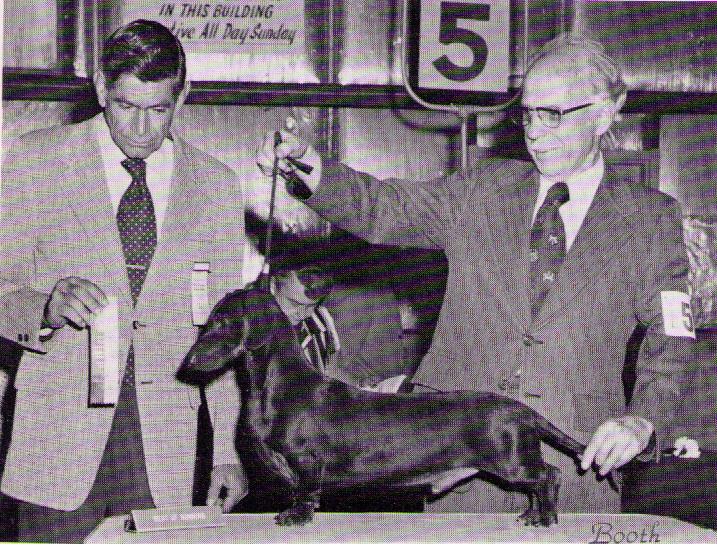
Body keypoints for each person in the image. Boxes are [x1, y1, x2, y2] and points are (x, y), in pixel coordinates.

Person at [257, 32, 696, 514]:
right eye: (527, 114)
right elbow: (384, 207)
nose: (534, 132)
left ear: (606, 113)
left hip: (577, 471)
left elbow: (672, 340)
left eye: (552, 114)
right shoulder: (480, 190)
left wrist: (642, 421)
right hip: (457, 472)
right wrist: (312, 170)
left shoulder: (651, 219)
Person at [0, 20, 247, 542]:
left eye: (157, 111)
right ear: (99, 88)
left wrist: (227, 449)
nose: (139, 129)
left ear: (181, 98)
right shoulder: (35, 160)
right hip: (57, 447)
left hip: (163, 451)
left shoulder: (217, 186)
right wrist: (45, 306)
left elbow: (222, 331)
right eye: (125, 106)